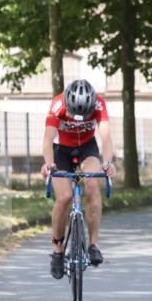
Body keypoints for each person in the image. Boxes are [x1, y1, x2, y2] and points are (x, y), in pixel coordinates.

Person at [40, 79, 117, 279]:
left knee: (93, 186)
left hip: (87, 148)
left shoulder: (99, 104)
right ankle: (58, 251)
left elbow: (106, 138)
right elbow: (47, 140)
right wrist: (49, 164)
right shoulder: (57, 104)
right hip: (61, 151)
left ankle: (93, 245)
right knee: (64, 197)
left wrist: (108, 163)